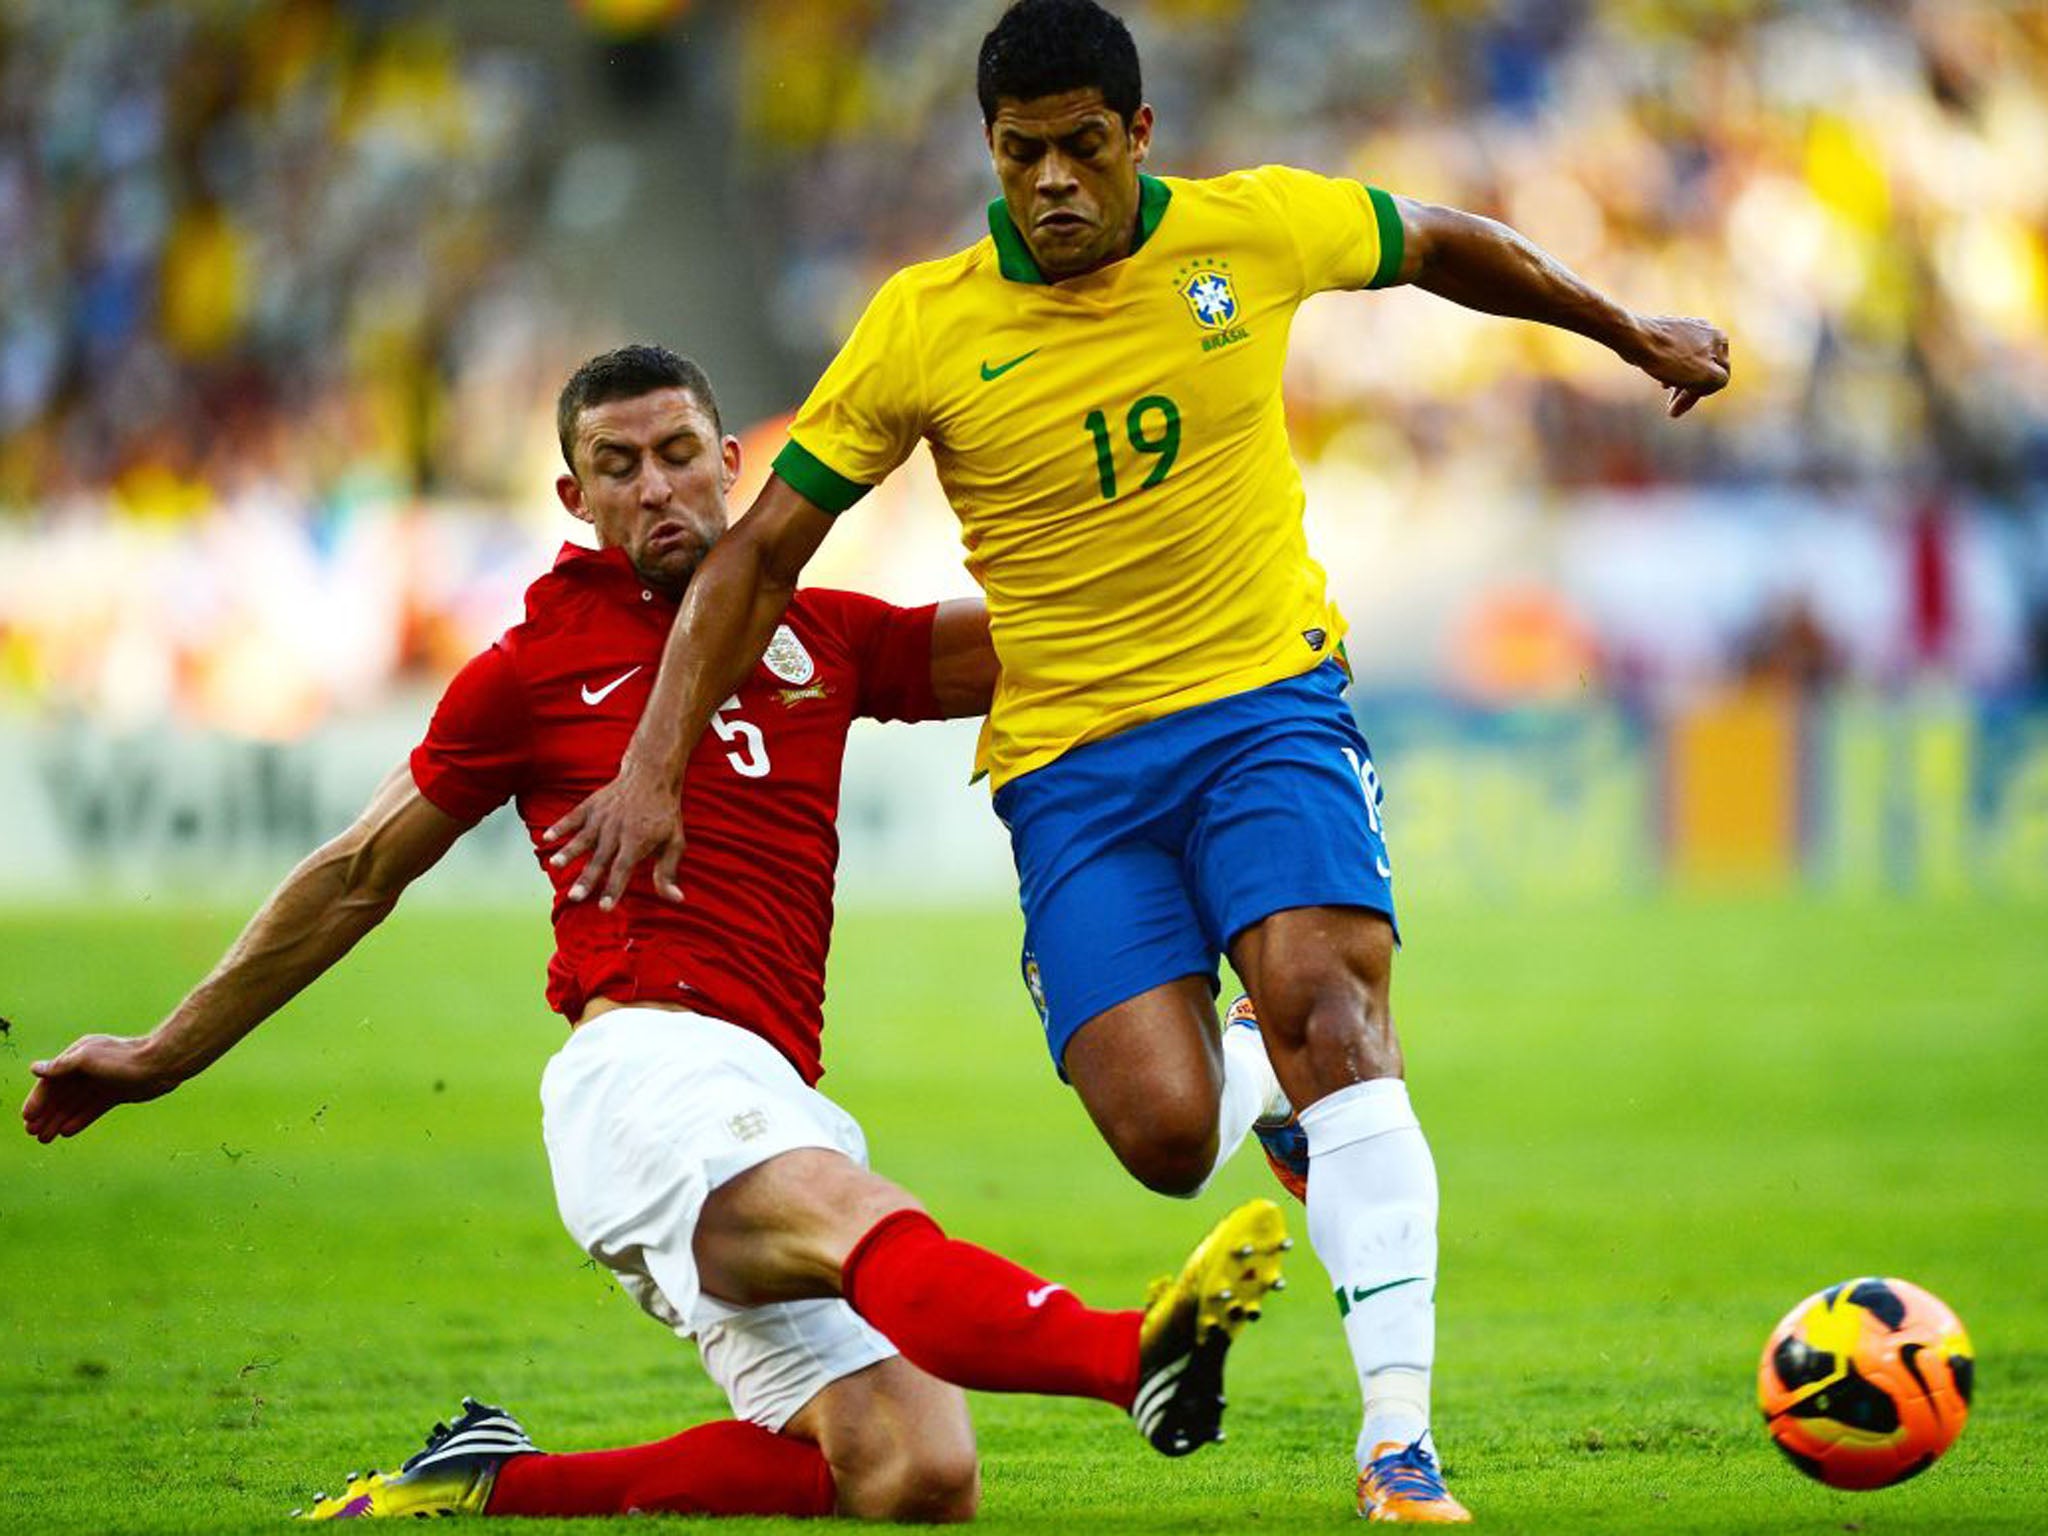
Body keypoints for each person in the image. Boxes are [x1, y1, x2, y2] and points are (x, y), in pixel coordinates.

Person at [539, 2, 1733, 1523]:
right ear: (991, 149)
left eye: (1082, 148)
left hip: (1265, 706)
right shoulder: (924, 324)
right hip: (1073, 770)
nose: (1052, 182)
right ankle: (1265, 1099)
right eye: (1021, 152)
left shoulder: (1260, 228)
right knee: (1168, 1138)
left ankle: (1398, 1443)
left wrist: (1630, 330)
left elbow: (1437, 238)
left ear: (1139, 137)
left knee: (1325, 998)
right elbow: (764, 547)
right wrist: (654, 764)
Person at [20, 344, 1291, 1523]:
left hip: (768, 1084)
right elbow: (355, 873)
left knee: (912, 1467)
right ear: (574, 498)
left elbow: (1063, 649)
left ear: (734, 463)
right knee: (858, 1221)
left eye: (679, 451)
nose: (657, 487)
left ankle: (485, 1486)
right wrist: (161, 1053)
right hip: (644, 1076)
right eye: (617, 467)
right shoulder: (529, 672)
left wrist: (1230, 592)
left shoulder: (822, 634)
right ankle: (1132, 1352)